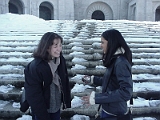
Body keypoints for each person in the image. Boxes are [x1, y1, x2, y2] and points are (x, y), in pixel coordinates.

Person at [82, 29, 133, 120]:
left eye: (103, 42)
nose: (101, 45)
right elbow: (112, 80)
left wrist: (97, 98)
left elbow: (126, 92)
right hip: (110, 109)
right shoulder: (115, 59)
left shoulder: (120, 63)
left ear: (111, 43)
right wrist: (93, 79)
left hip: (115, 114)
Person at [23, 32, 71, 120]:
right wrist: (43, 116)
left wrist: (66, 101)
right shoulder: (36, 67)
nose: (59, 49)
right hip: (42, 109)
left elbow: (65, 81)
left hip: (56, 106)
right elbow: (34, 94)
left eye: (60, 45)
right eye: (55, 46)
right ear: (47, 47)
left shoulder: (60, 60)